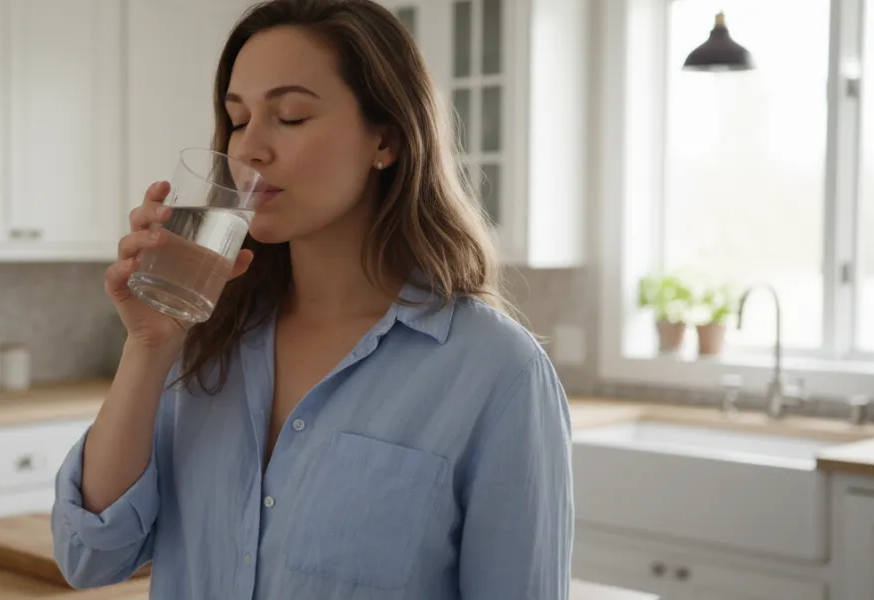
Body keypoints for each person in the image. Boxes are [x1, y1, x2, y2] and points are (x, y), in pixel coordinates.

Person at [51, 0, 574, 598]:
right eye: (238, 119)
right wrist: (148, 347)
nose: (248, 149)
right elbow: (89, 557)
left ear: (386, 139)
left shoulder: (497, 373)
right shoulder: (204, 337)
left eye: (291, 116)